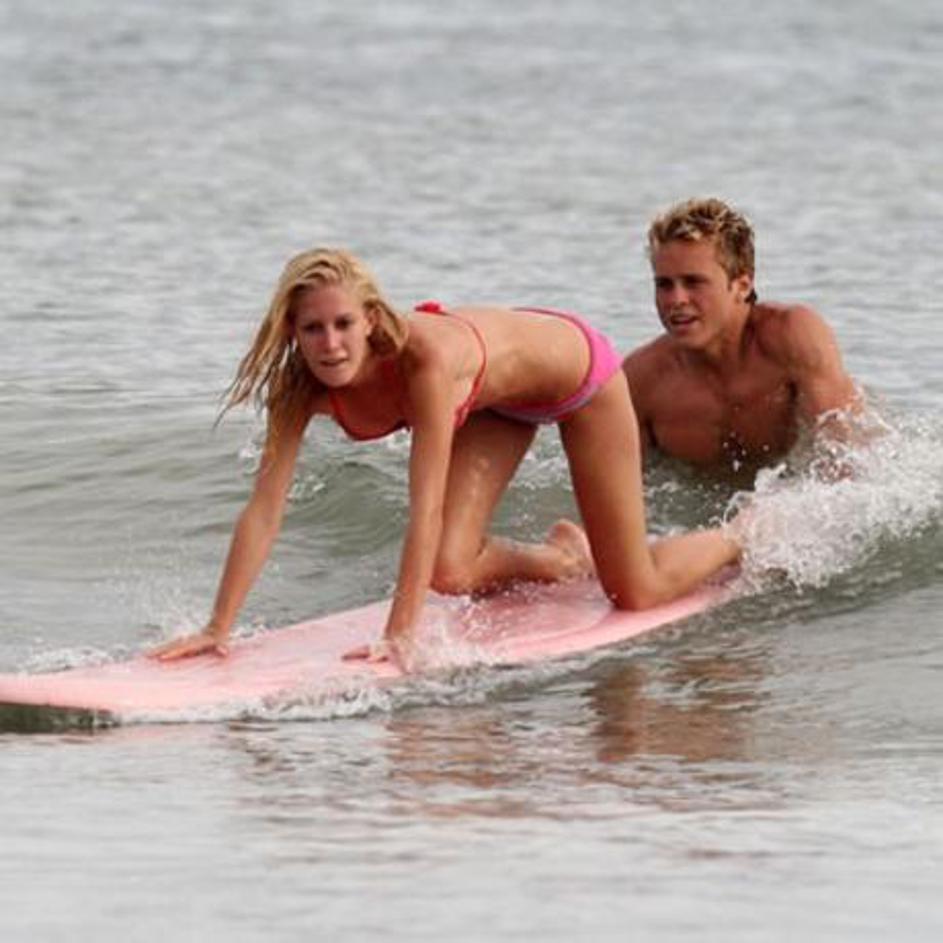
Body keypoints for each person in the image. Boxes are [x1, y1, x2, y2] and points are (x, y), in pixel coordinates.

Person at [153, 249, 739, 668]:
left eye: (343, 324)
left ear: (371, 320)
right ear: (292, 331)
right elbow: (264, 509)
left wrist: (400, 635)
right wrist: (217, 627)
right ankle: (564, 557)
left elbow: (425, 508)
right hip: (495, 399)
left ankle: (742, 533)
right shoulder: (297, 389)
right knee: (449, 571)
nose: (330, 344)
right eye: (313, 329)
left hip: (577, 377)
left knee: (635, 590)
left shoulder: (423, 365)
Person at [622, 198, 861, 476]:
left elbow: (843, 468)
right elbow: (617, 486)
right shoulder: (641, 381)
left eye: (693, 282)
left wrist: (769, 507)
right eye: (664, 285)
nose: (676, 300)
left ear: (742, 286)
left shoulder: (793, 336)